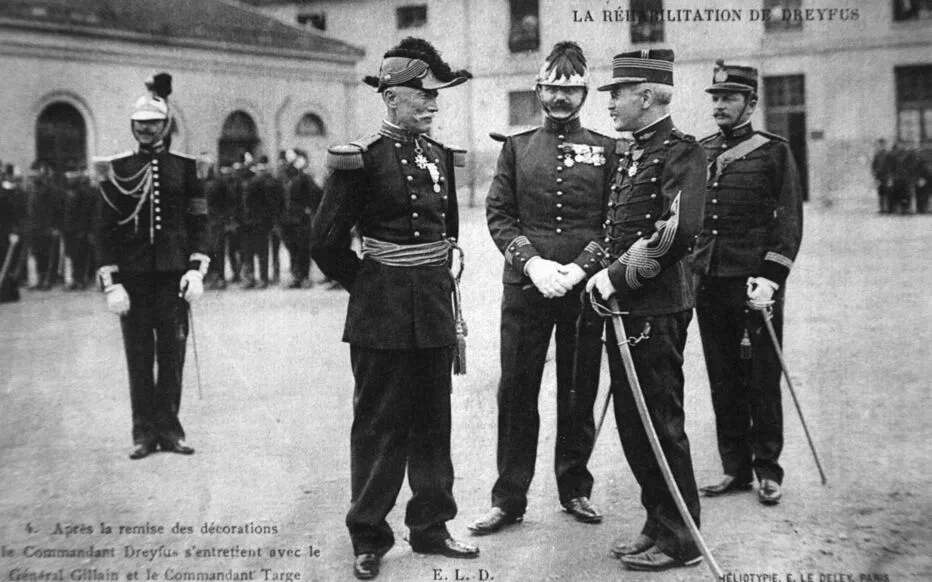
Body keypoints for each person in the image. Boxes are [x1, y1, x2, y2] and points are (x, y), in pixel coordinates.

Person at [311, 37, 478, 580]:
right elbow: (325, 242)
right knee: (380, 425)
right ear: (391, 98)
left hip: (431, 307)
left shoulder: (438, 157)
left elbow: (446, 230)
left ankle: (431, 526)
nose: (432, 105)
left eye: (435, 97)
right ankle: (368, 535)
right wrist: (370, 283)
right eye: (422, 96)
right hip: (380, 312)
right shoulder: (359, 159)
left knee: (433, 423)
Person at [470, 41, 614, 536]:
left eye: (570, 90)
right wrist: (533, 266)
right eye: (552, 88)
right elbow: (499, 215)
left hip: (583, 290)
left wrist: (578, 269)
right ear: (538, 89)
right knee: (516, 392)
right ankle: (508, 498)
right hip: (526, 289)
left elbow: (611, 222)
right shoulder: (516, 147)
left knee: (578, 391)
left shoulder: (608, 148)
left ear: (585, 94)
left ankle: (575, 488)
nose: (560, 99)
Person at [583, 49, 706, 571]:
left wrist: (614, 277)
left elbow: (677, 232)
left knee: (660, 422)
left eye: (618, 94)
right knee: (636, 426)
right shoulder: (633, 151)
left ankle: (682, 538)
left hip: (655, 307)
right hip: (627, 310)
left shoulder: (682, 151)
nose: (609, 102)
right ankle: (658, 521)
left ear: (648, 96)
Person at [692, 60, 804, 506]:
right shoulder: (701, 151)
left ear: (751, 103)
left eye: (729, 98)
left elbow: (790, 219)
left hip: (756, 281)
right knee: (722, 376)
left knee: (761, 375)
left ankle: (768, 469)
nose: (720, 105)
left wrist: (772, 277)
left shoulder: (774, 151)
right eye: (715, 98)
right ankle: (734, 467)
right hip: (710, 277)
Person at [94, 93, 209, 460]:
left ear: (165, 126)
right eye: (140, 124)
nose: (146, 130)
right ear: (133, 127)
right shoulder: (117, 169)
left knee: (172, 354)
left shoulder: (186, 169)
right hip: (134, 279)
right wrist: (111, 283)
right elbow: (102, 231)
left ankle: (170, 431)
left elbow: (200, 223)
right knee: (139, 356)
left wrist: (196, 268)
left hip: (173, 277)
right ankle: (143, 433)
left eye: (154, 123)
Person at [280, 149, 321, 288]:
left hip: (301, 219)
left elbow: (316, 194)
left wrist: (309, 209)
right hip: (288, 219)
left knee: (303, 248)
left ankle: (304, 276)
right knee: (292, 248)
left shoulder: (304, 178)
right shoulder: (286, 178)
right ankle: (296, 275)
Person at [239, 156, 281, 289]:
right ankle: (254, 278)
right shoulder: (250, 181)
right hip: (250, 222)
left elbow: (270, 203)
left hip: (258, 222)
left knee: (260, 251)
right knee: (251, 251)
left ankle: (261, 279)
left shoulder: (261, 182)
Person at [0, 170, 25, 303]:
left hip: (5, 233)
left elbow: (14, 214)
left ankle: (7, 293)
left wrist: (14, 231)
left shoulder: (6, 194)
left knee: (7, 262)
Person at [870, 139, 891, 214]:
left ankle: (887, 208)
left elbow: (891, 166)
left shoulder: (888, 154)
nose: (881, 146)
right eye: (880, 145)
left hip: (887, 176)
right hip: (879, 177)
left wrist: (889, 176)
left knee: (887, 192)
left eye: (883, 144)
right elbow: (873, 165)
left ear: (885, 145)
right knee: (880, 192)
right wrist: (874, 174)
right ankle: (882, 209)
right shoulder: (877, 155)